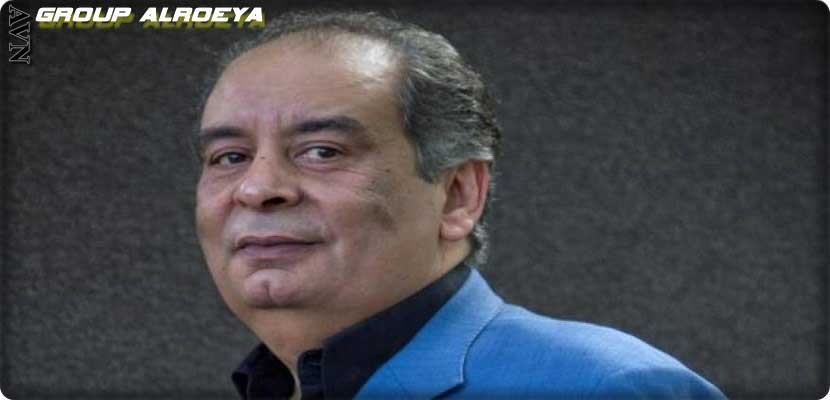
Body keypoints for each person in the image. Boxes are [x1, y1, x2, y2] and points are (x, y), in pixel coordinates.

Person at [194, 10, 726, 399]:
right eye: (229, 157)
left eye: (322, 151)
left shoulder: (605, 387)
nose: (256, 188)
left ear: (457, 195)